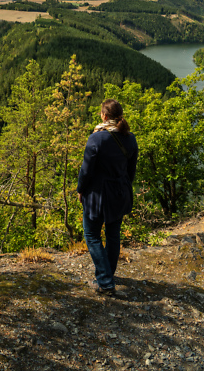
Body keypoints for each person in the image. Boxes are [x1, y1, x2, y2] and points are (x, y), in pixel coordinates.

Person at [77, 98, 138, 296]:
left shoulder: (96, 139)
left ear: (104, 115)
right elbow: (131, 171)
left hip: (97, 196)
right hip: (119, 194)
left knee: (92, 235)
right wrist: (122, 186)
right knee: (113, 235)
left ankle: (105, 281)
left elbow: (86, 170)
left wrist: (80, 190)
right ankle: (108, 275)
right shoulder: (130, 138)